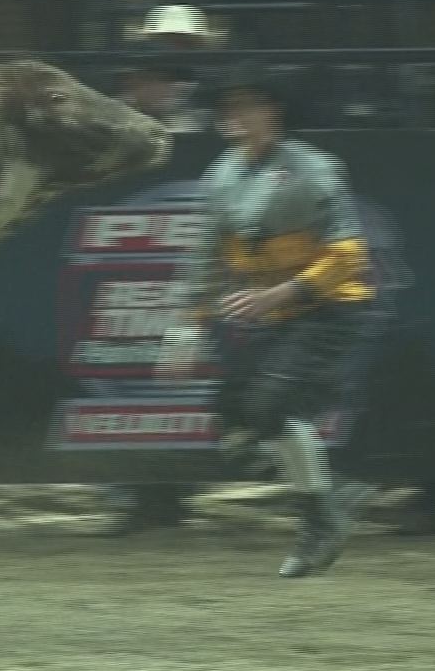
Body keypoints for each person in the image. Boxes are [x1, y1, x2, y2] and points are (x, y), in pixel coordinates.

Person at [159, 62, 382, 577]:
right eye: (225, 107)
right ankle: (332, 499)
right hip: (279, 314)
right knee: (235, 411)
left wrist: (278, 292)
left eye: (241, 106)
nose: (228, 116)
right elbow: (204, 257)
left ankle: (321, 521)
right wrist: (186, 326)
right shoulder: (223, 176)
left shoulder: (314, 171)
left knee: (271, 405)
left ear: (271, 112)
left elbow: (349, 255)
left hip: (333, 308)